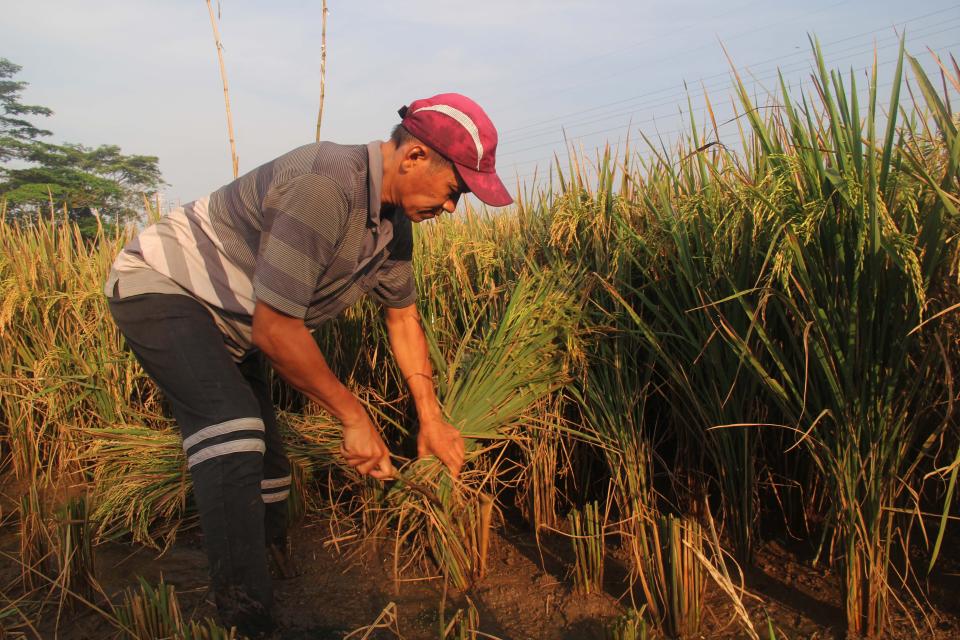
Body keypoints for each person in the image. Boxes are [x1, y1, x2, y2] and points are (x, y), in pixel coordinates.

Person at [103, 93, 513, 636]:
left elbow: (403, 319)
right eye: (454, 189)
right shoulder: (326, 183)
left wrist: (431, 416)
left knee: (269, 460)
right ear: (414, 157)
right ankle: (246, 620)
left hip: (237, 320)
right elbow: (277, 330)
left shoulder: (393, 226)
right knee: (233, 431)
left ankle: (272, 562)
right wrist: (353, 417)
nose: (452, 207)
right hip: (165, 289)